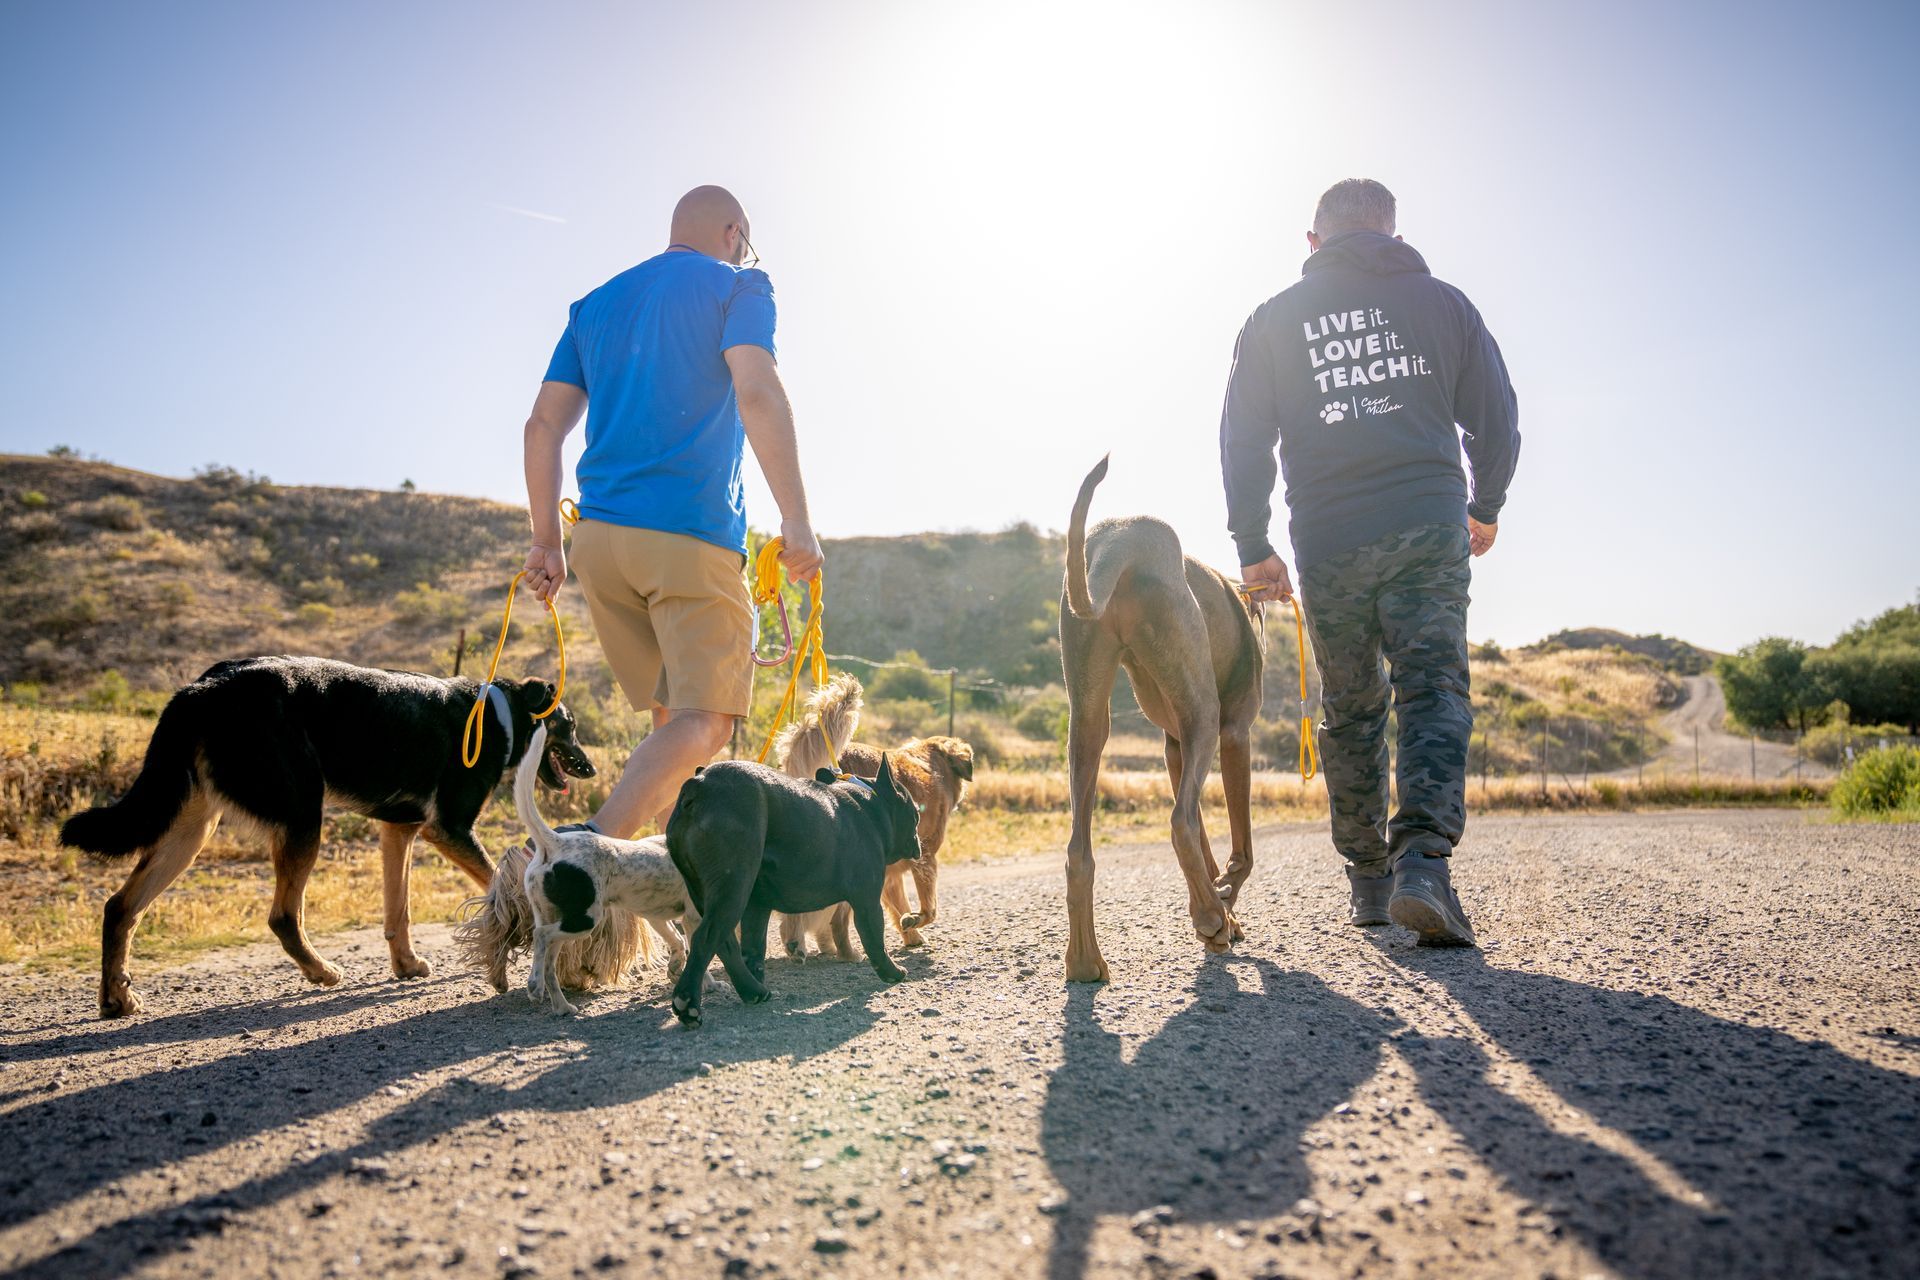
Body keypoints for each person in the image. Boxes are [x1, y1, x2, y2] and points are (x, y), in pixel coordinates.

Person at [1219, 178, 1519, 945]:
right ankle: (1423, 862)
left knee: (1351, 707)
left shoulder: (1273, 321)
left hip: (1329, 540)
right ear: (1390, 233)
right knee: (1432, 688)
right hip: (1426, 527)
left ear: (1313, 243)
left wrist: (1254, 547)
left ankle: (1369, 882)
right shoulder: (1445, 304)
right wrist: (1486, 506)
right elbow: (1496, 418)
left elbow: (1243, 440)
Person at [520, 184, 823, 838]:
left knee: (671, 727)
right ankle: (586, 855)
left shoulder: (594, 305)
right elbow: (758, 391)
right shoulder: (740, 285)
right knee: (707, 720)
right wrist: (796, 519)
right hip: (688, 539)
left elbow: (543, 426)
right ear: (734, 233)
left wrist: (546, 543)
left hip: (599, 547)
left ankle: (664, 902)